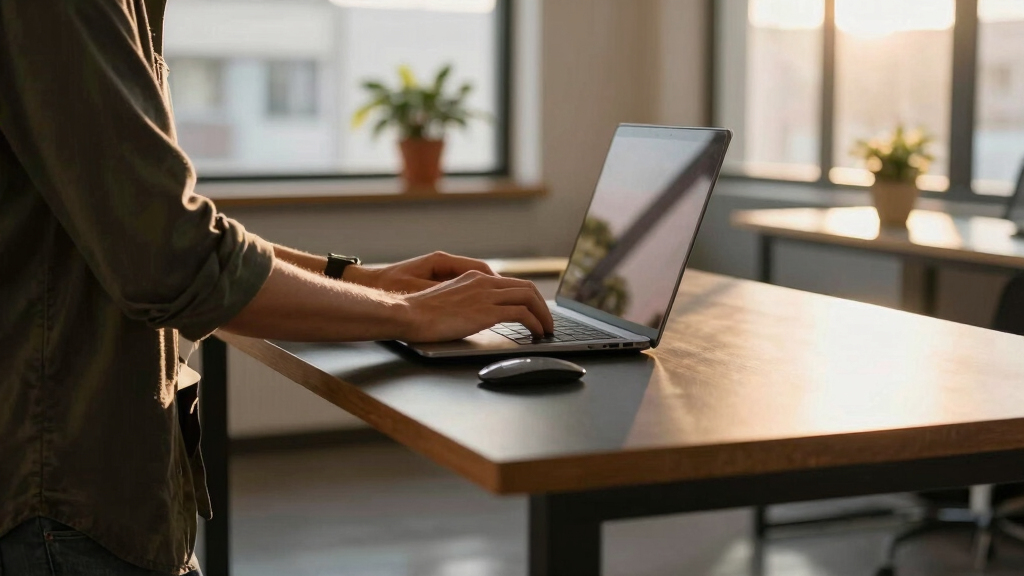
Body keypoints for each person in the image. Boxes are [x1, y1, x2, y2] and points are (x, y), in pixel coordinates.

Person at [0, 1, 553, 574]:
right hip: (55, 504)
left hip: (68, 489)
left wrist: (361, 279)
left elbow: (163, 225)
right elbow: (173, 257)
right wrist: (411, 313)